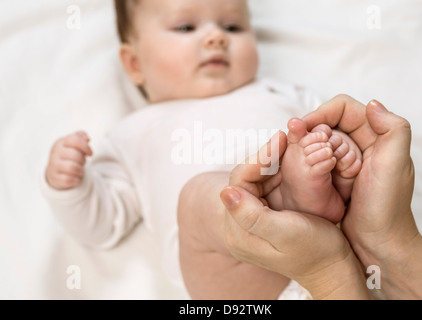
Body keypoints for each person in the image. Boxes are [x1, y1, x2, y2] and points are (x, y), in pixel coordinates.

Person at [41, 0, 360, 299]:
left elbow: (334, 130)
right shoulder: (134, 133)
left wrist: (339, 148)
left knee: (303, 143)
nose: (215, 37)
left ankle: (300, 199)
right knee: (198, 196)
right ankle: (288, 202)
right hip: (241, 278)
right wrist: (70, 186)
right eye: (185, 28)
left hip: (336, 267)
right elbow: (101, 224)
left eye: (233, 27)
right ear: (135, 64)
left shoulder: (281, 94)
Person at [220, 97, 422, 299]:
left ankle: (299, 201)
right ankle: (304, 196)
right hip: (376, 276)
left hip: (302, 274)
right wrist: (386, 240)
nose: (214, 43)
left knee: (198, 197)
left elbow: (315, 126)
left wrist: (328, 272)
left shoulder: (287, 91)